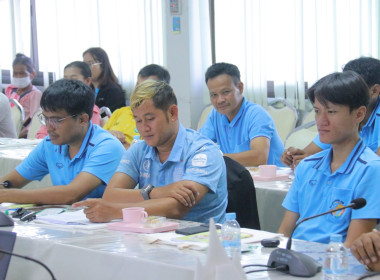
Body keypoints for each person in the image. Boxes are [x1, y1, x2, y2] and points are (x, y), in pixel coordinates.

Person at [73, 80, 228, 224]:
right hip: (152, 237)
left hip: (200, 242)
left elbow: (176, 208)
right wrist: (155, 192)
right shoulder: (139, 149)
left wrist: (115, 212)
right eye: (138, 120)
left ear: (172, 113)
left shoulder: (203, 151)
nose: (144, 128)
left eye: (150, 119)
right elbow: (110, 195)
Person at [278, 71, 380, 247]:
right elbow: (284, 232)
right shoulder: (307, 166)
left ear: (359, 114)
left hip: (335, 266)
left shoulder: (370, 169)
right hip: (295, 261)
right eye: (317, 111)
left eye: (331, 111)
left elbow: (353, 246)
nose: (321, 121)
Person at [0, 79, 125, 204]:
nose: (48, 127)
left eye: (56, 120)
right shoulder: (50, 144)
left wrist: (6, 195)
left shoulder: (107, 146)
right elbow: (11, 181)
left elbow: (71, 194)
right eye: (45, 119)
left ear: (82, 119)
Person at [281, 57, 380, 168]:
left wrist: (317, 162)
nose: (344, 92)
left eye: (331, 111)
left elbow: (374, 169)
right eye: (317, 111)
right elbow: (308, 154)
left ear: (375, 91)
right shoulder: (337, 117)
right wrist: (295, 157)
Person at [198, 62, 284, 167]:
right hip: (240, 177)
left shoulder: (257, 115)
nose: (220, 100)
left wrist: (216, 157)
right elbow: (197, 146)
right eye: (214, 95)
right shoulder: (216, 115)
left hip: (273, 180)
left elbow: (259, 158)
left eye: (225, 92)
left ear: (240, 88)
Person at [103, 64, 171, 149]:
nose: (138, 92)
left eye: (145, 88)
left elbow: (149, 152)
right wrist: (109, 134)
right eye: (137, 85)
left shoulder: (159, 120)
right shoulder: (120, 112)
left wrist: (122, 146)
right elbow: (98, 138)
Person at [35, 61, 101, 139]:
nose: (69, 83)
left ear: (87, 81)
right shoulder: (55, 107)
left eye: (73, 79)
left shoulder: (91, 110)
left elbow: (89, 137)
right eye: (65, 79)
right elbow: (41, 134)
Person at [5, 53, 42, 138]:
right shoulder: (10, 89)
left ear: (32, 74)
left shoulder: (35, 94)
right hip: (7, 129)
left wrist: (18, 135)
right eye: (15, 73)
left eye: (22, 73)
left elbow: (34, 121)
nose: (18, 76)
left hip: (21, 133)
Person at [83, 47, 126, 112]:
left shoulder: (113, 91)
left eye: (90, 64)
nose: (86, 68)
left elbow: (112, 117)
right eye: (84, 65)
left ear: (103, 65)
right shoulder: (86, 89)